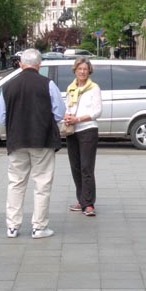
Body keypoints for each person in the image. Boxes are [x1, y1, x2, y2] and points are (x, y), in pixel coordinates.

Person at [0, 48, 66, 239]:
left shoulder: (8, 86)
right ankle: (39, 227)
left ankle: (12, 226)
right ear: (39, 65)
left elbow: (2, 117)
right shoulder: (48, 84)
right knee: (42, 184)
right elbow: (59, 113)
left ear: (20, 64)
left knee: (16, 183)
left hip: (16, 140)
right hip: (42, 140)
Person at [64, 56, 102, 216]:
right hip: (72, 131)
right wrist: (67, 116)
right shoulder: (71, 88)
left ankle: (89, 204)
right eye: (80, 69)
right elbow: (68, 106)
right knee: (76, 168)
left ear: (89, 71)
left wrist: (78, 118)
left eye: (85, 69)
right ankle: (81, 199)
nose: (82, 72)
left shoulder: (94, 88)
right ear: (75, 70)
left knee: (87, 168)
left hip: (87, 130)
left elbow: (97, 111)